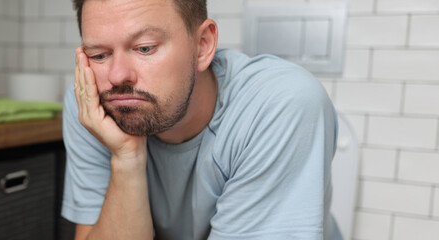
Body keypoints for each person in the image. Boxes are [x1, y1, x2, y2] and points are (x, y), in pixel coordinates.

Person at [61, 0, 342, 239]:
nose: (117, 76)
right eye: (99, 55)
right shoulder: (93, 106)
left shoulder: (280, 105)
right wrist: (126, 157)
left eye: (145, 48)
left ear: (203, 45)